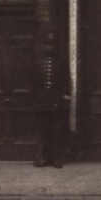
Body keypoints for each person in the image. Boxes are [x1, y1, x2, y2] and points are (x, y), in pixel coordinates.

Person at [34, 33, 69, 168]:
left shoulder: (60, 63)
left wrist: (63, 95)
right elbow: (33, 82)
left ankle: (57, 159)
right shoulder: (38, 63)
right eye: (47, 45)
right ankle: (42, 158)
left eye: (51, 45)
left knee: (57, 131)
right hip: (42, 99)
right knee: (42, 131)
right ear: (44, 46)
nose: (49, 47)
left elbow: (66, 81)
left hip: (56, 99)